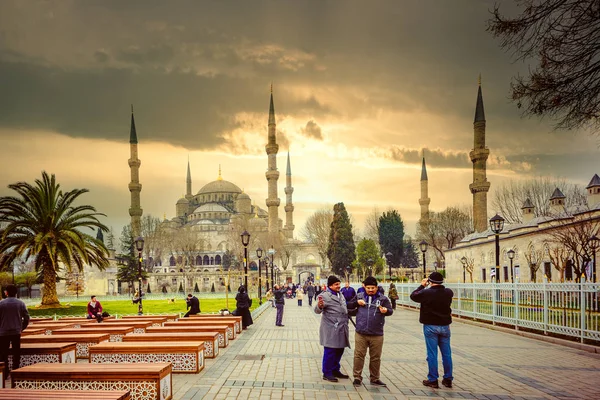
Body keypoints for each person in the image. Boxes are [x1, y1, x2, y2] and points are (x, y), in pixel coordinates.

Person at [410, 272, 454, 389]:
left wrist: (422, 286)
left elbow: (413, 296)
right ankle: (448, 379)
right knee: (447, 354)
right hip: (445, 326)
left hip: (430, 326)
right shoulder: (448, 292)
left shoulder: (426, 292)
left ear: (430, 281)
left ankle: (433, 379)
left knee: (432, 353)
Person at [348, 277, 393, 387]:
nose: (371, 290)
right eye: (368, 288)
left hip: (377, 333)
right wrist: (357, 303)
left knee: (375, 357)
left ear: (376, 287)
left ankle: (375, 378)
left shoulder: (383, 299)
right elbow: (348, 305)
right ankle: (357, 377)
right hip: (361, 333)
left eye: (373, 288)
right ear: (364, 287)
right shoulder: (359, 296)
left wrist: (385, 310)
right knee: (358, 355)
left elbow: (390, 310)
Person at [314, 275, 350, 382]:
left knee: (340, 349)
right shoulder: (324, 296)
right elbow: (317, 310)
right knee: (330, 350)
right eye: (336, 284)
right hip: (331, 328)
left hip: (342, 327)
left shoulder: (341, 295)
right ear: (330, 285)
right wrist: (319, 306)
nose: (338, 286)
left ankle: (335, 369)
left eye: (339, 284)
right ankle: (327, 372)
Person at [0, 284, 30, 376]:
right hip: (16, 332)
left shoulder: (1, 304)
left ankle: (4, 373)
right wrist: (22, 328)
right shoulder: (20, 303)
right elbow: (27, 317)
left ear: (7, 292)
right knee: (16, 352)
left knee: (3, 353)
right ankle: (16, 371)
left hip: (3, 332)